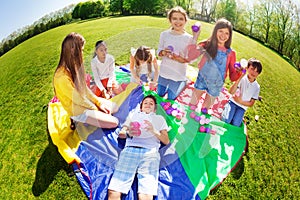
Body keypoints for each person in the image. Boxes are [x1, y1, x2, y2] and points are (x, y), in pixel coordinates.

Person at [108, 95, 170, 200]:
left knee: (146, 193)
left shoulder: (159, 119)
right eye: (145, 103)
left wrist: (153, 131)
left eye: (151, 103)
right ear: (141, 107)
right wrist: (129, 133)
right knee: (114, 189)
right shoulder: (133, 115)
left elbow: (166, 141)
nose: (148, 105)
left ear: (154, 109)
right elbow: (121, 133)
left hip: (150, 153)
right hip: (130, 150)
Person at [53, 32, 119, 128]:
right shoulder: (61, 77)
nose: (82, 54)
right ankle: (76, 119)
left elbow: (84, 89)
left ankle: (95, 116)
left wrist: (98, 103)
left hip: (84, 101)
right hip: (77, 109)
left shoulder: (73, 66)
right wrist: (96, 109)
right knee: (114, 122)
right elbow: (78, 99)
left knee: (115, 107)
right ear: (73, 50)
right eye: (81, 50)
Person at [187, 18, 242, 113]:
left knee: (205, 110)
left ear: (230, 36)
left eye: (227, 33)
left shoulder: (231, 53)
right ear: (215, 31)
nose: (223, 35)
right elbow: (191, 56)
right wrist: (195, 36)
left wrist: (239, 71)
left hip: (216, 86)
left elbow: (233, 77)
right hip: (202, 80)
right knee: (191, 106)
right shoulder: (206, 44)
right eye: (221, 31)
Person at [157, 6, 200, 100]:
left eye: (181, 19)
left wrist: (195, 37)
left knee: (171, 98)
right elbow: (158, 52)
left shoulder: (188, 38)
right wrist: (163, 52)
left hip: (178, 75)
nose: (178, 22)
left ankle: (183, 82)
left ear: (185, 21)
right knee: (159, 94)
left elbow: (191, 59)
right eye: (174, 18)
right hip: (164, 72)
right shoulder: (164, 34)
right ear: (170, 20)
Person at [222, 58, 262, 127]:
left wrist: (240, 101)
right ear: (247, 68)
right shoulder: (242, 78)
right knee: (226, 120)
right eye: (252, 69)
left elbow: (251, 103)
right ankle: (227, 108)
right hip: (233, 103)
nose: (254, 73)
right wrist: (241, 76)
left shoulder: (257, 87)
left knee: (236, 124)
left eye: (257, 71)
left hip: (242, 107)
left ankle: (238, 116)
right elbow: (231, 92)